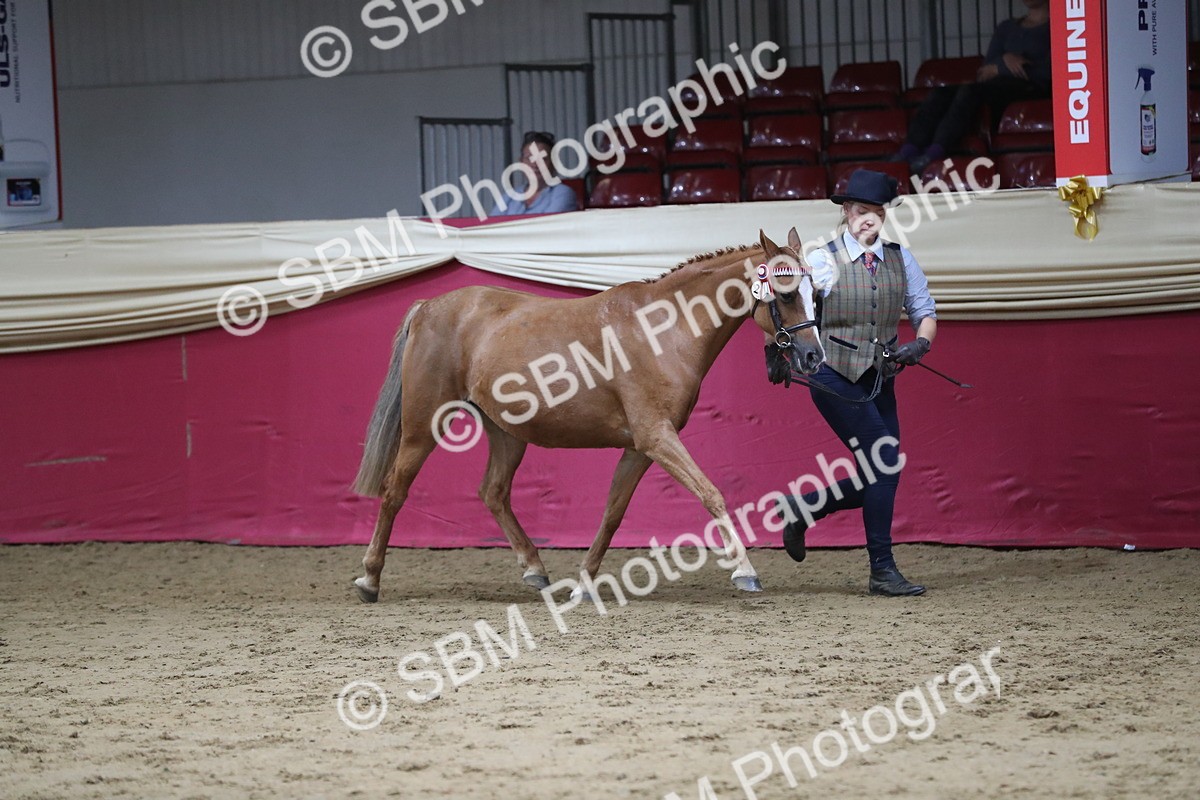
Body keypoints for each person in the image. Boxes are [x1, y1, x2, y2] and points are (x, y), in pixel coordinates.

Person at [766, 169, 937, 596]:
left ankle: (804, 508)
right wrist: (776, 347)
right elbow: (782, 297)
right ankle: (882, 570)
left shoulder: (901, 257)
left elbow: (924, 310)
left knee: (883, 471)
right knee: (884, 464)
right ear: (846, 212)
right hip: (834, 373)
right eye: (862, 211)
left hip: (882, 378)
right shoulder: (823, 260)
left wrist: (921, 344)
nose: (869, 220)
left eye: (877, 213)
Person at [895, 0, 1051, 174]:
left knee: (970, 91)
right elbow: (984, 72)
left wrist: (1002, 68)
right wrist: (1004, 62)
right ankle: (909, 150)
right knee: (940, 93)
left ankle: (935, 152)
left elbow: (1049, 71)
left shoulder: (1054, 28)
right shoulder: (1006, 28)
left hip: (1030, 90)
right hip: (995, 88)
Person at [492, 131, 579, 216]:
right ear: (521, 162)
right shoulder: (509, 196)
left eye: (542, 159)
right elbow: (490, 226)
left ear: (554, 163)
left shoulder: (562, 194)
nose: (535, 164)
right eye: (529, 158)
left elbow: (544, 227)